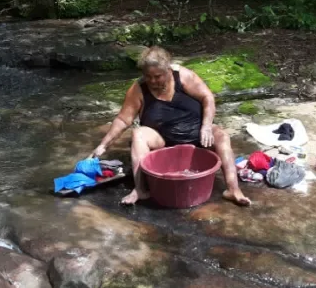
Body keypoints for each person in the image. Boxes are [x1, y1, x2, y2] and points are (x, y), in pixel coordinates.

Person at [92, 46, 251, 206]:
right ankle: (140, 189)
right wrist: (103, 145)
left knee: (222, 136)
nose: (153, 81)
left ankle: (233, 189)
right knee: (138, 134)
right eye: (148, 76)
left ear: (168, 70)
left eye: (157, 76)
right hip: (162, 141)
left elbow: (207, 97)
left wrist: (207, 126)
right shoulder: (138, 89)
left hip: (197, 136)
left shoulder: (184, 76)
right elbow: (123, 120)